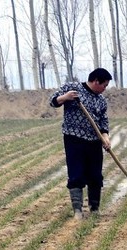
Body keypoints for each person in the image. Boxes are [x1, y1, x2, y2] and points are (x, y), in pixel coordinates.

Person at [49, 68, 113, 218]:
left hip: (94, 141)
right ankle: (77, 210)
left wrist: (105, 137)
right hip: (74, 139)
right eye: (104, 85)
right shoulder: (73, 89)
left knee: (95, 175)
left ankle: (94, 208)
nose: (104, 89)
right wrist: (65, 97)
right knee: (76, 174)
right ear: (96, 81)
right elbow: (53, 102)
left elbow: (103, 121)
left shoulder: (101, 100)